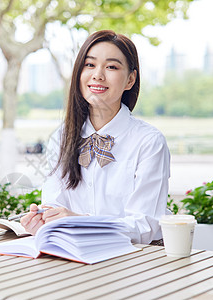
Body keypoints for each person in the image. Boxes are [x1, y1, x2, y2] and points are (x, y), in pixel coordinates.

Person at [20, 30, 170, 245]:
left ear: (130, 79)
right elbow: (53, 206)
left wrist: (81, 222)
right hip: (74, 254)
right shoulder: (61, 137)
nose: (98, 75)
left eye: (111, 67)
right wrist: (42, 221)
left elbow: (144, 226)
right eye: (90, 65)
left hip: (135, 260)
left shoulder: (149, 142)